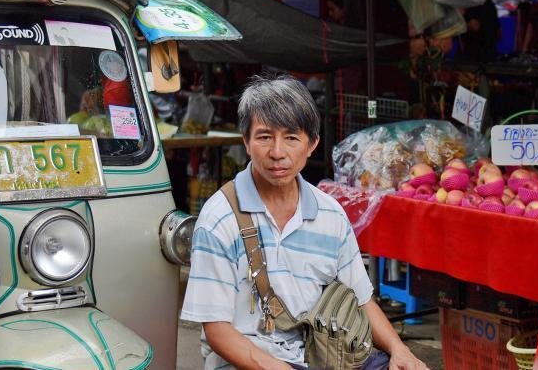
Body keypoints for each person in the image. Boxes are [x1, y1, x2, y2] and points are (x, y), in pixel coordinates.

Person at [182, 74, 428, 370]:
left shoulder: (330, 214)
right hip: (247, 360)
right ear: (246, 141)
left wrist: (399, 349)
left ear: (312, 144)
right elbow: (217, 330)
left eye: (291, 137)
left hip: (321, 354)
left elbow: (362, 300)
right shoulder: (218, 218)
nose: (277, 152)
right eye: (264, 137)